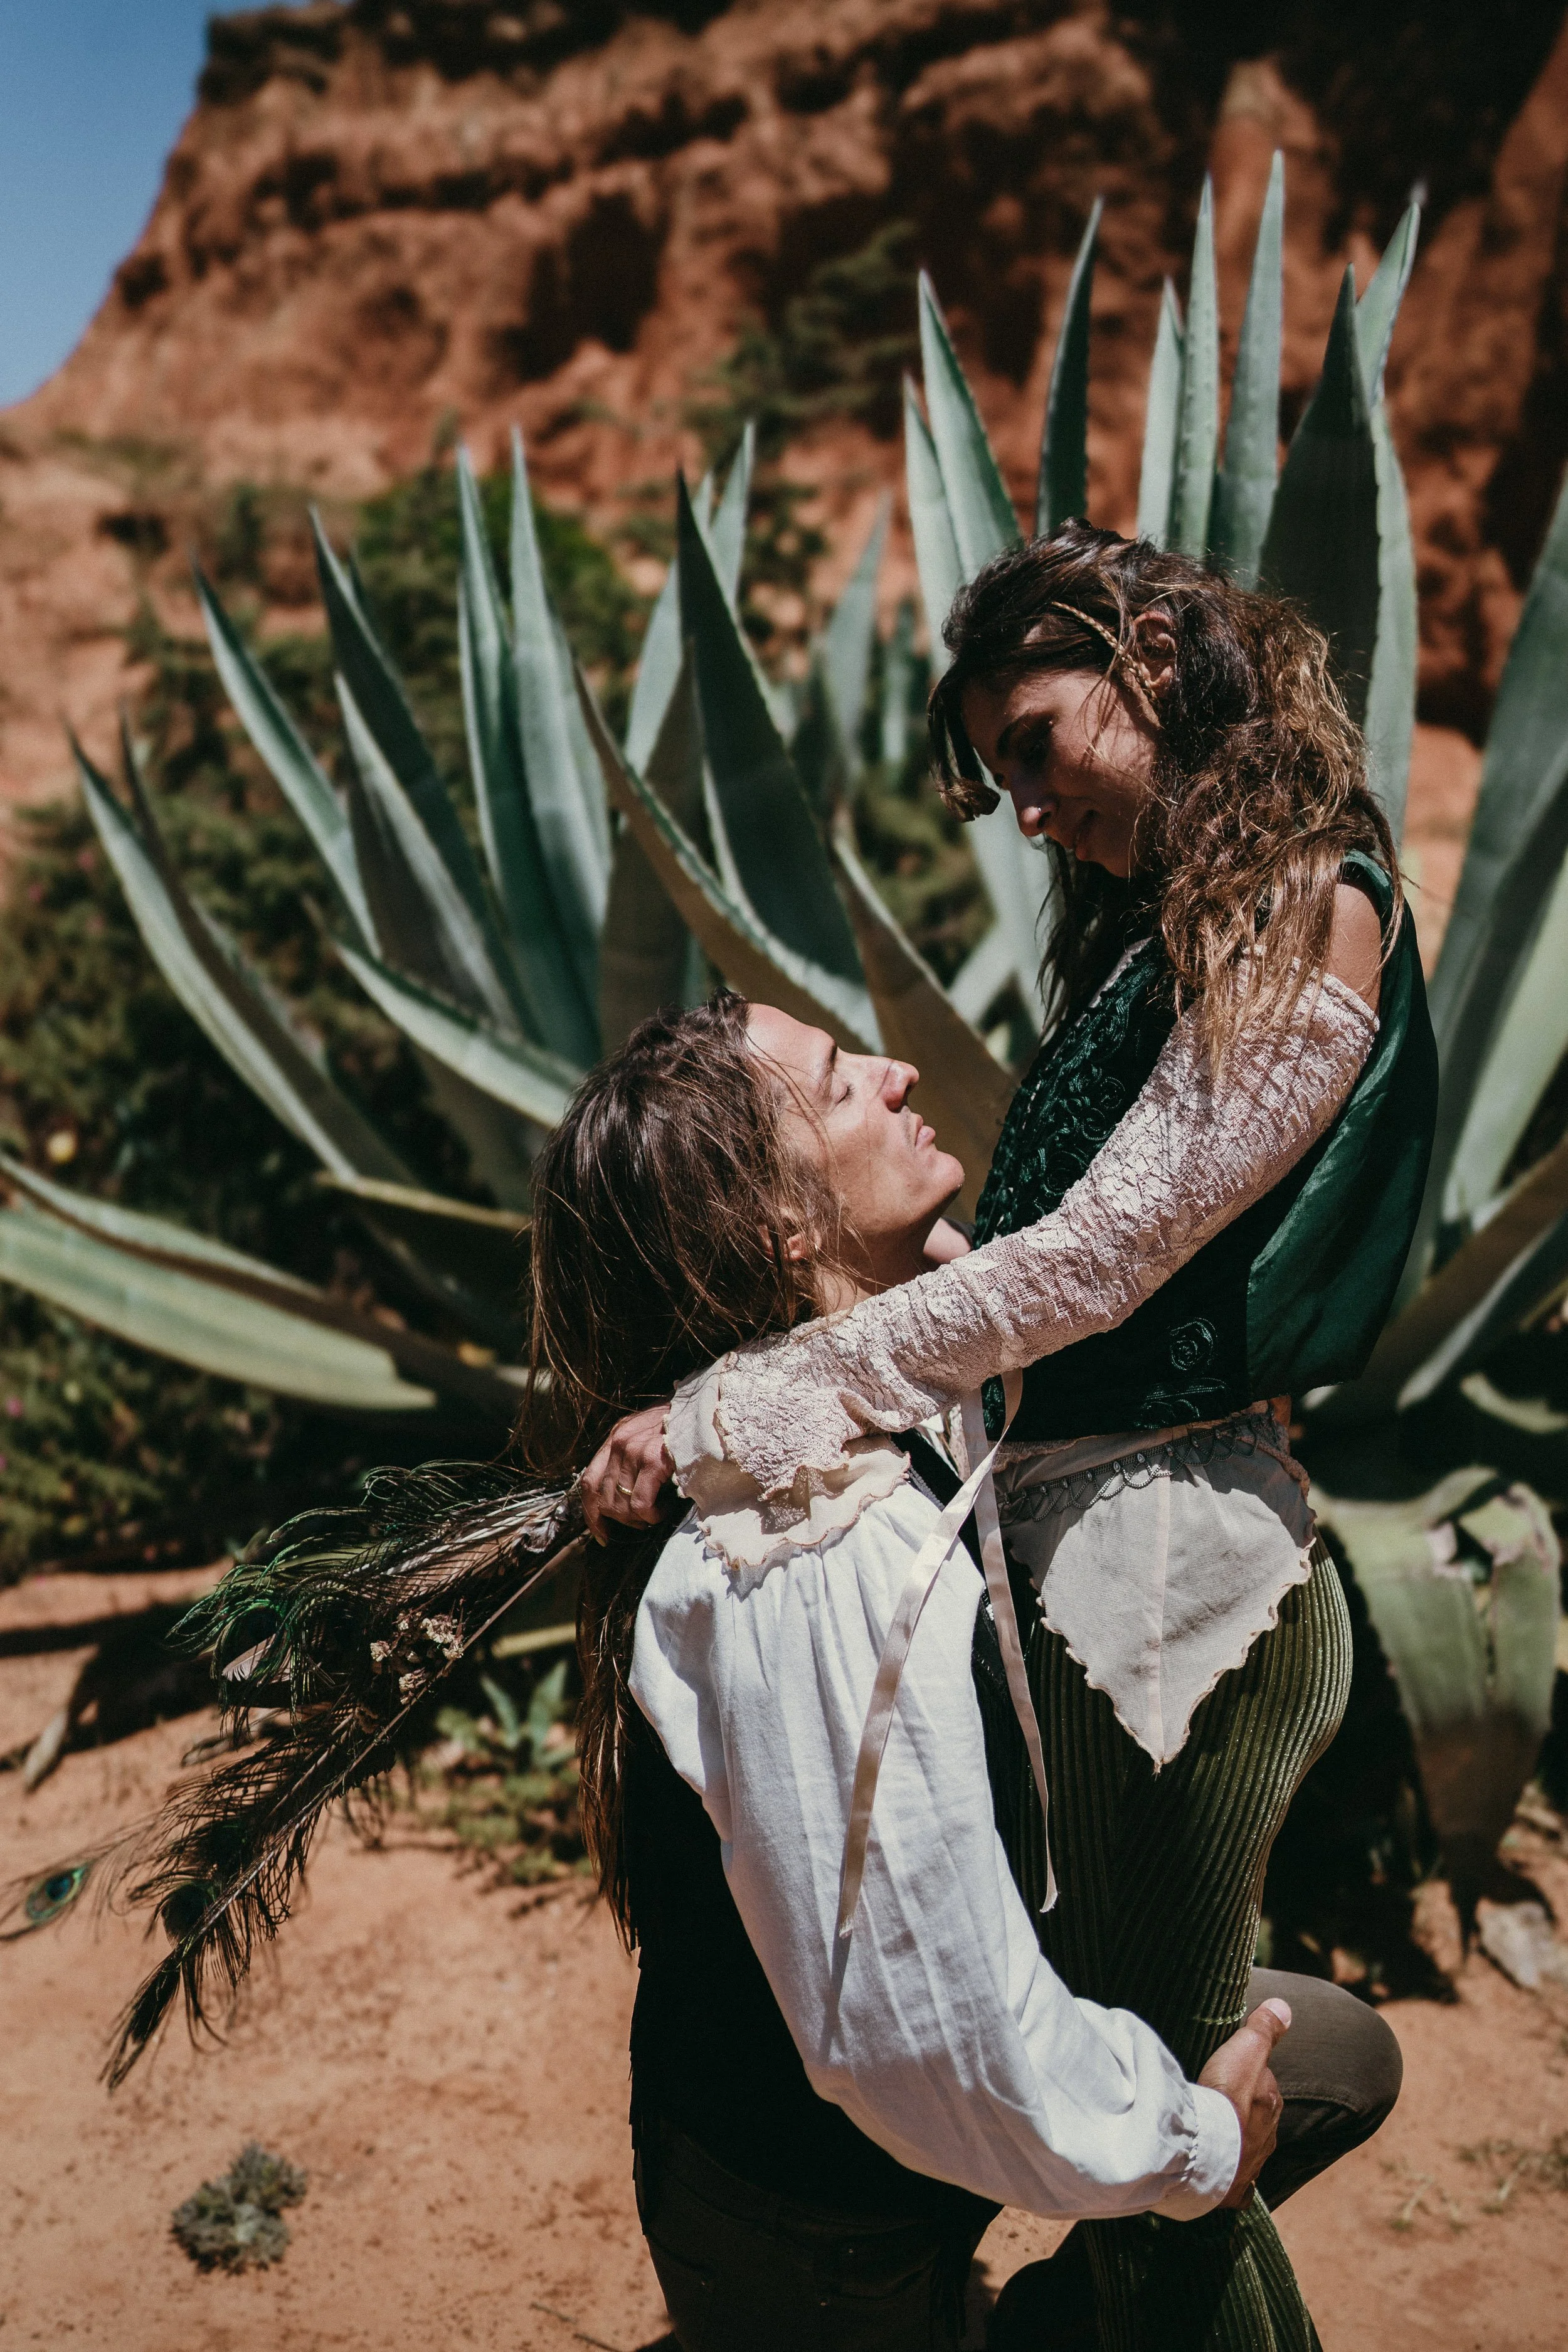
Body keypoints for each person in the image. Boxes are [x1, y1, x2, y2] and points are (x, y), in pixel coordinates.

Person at [580, 524, 1436, 2350]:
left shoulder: (1308, 904)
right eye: (998, 778)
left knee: (1196, 2120)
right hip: (1110, 1574)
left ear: (1151, 659)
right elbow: (1029, 1285)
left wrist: (755, 1392)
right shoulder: (1165, 922)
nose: (1026, 813)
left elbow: (1102, 1260)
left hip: (1170, 1587)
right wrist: (729, 1399)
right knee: (1185, 2103)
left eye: (1033, 745)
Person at [522, 993, 1402, 2352]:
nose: (898, 1072)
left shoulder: (853, 1378)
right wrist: (1195, 2143)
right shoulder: (804, 1551)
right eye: (839, 1082)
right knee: (1230, 2120)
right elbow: (922, 2034)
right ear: (783, 1230)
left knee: (1334, 2056)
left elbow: (1015, 1292)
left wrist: (699, 1404)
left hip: (904, 2144)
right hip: (819, 2232)